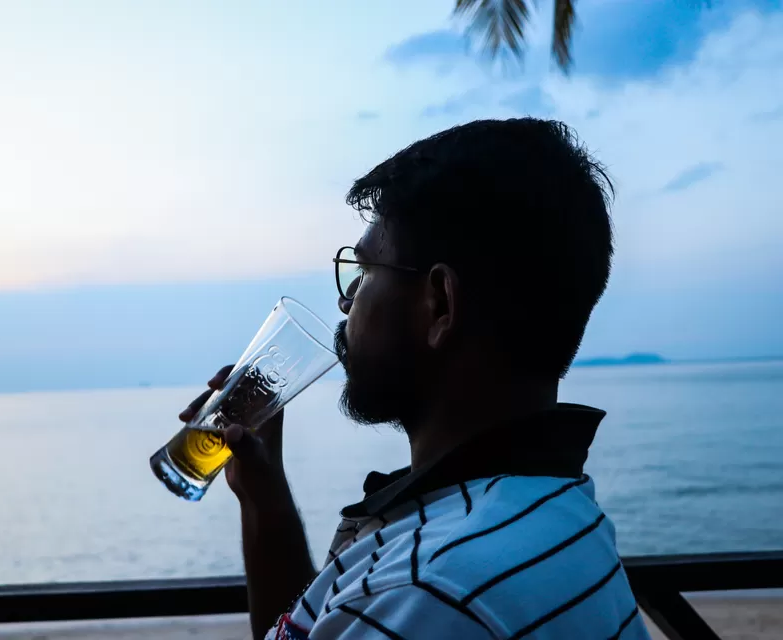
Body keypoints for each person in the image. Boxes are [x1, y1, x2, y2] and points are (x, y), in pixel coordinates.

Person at [179, 118, 652, 639]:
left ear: (440, 303)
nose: (345, 300)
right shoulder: (559, 511)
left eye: (363, 272)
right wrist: (264, 499)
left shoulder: (426, 592)